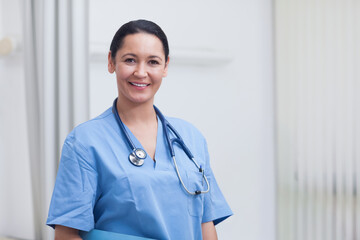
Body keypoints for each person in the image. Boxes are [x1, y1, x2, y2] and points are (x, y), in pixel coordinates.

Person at [46, 19, 232, 240]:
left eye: (153, 62)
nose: (141, 72)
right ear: (111, 62)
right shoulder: (85, 142)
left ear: (165, 67)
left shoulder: (191, 138)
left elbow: (206, 225)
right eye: (130, 60)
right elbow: (67, 234)